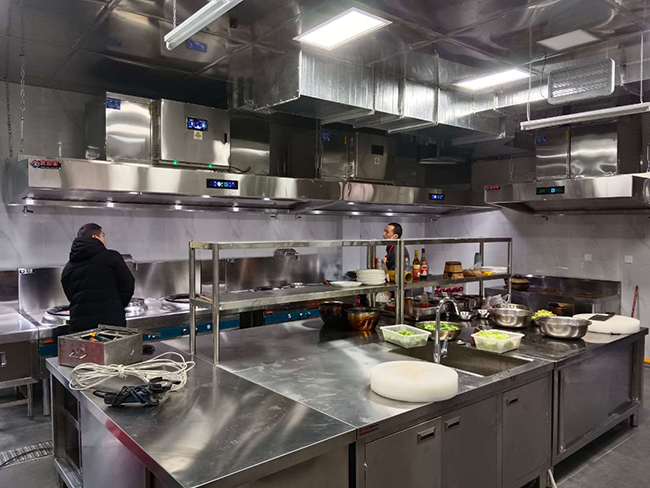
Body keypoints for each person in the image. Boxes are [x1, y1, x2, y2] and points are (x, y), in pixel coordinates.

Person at [61, 223, 135, 333]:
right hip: (110, 324)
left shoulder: (69, 267)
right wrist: (116, 305)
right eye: (103, 236)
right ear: (95, 238)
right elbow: (128, 284)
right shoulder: (112, 257)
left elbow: (71, 295)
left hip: (80, 326)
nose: (104, 240)